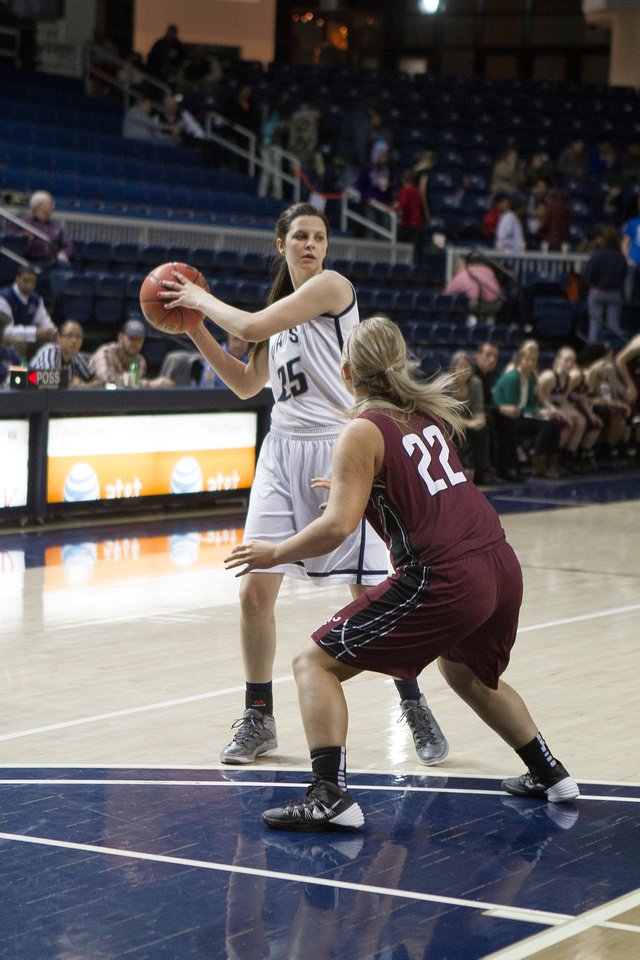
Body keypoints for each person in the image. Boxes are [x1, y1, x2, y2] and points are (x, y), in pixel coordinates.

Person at [223, 315, 579, 832]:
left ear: (347, 373)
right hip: (500, 564)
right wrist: (351, 480)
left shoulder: (361, 430)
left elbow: (337, 527)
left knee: (312, 664)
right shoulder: (425, 416)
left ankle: (329, 795)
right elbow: (420, 484)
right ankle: (551, 774)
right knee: (466, 673)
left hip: (448, 576)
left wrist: (273, 553)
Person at [159, 202, 448, 766]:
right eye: (301, 237)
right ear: (281, 245)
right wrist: (194, 330)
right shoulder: (278, 313)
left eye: (319, 237)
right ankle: (258, 717)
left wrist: (197, 299)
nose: (311, 245)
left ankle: (412, 701)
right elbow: (246, 384)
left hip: (340, 448)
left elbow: (244, 326)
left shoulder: (333, 289)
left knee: (369, 596)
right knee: (252, 588)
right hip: (280, 451)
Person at [492, 344, 562, 480]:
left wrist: (541, 412)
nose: (530, 363)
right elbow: (513, 406)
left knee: (555, 423)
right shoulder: (512, 378)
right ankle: (538, 466)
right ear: (520, 360)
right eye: (527, 360)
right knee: (546, 426)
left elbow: (529, 404)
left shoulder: (529, 378)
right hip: (510, 417)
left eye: (533, 360)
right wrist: (537, 414)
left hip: (523, 414)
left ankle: (551, 465)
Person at [89, 319, 174, 388]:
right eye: (132, 338)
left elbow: (134, 387)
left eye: (139, 339)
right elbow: (108, 380)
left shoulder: (140, 360)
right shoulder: (105, 353)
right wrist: (150, 384)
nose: (135, 343)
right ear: (121, 337)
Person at [0, 264, 56, 359]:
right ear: (17, 279)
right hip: (4, 338)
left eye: (33, 282)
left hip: (25, 336)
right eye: (26, 281)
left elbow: (45, 321)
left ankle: (39, 372)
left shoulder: (36, 299)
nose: (29, 285)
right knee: (19, 341)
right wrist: (34, 332)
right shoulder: (4, 297)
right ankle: (17, 373)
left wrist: (52, 332)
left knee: (50, 340)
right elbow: (6, 331)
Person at [583, 225, 628, 343]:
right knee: (614, 327)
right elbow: (624, 276)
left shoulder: (597, 255)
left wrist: (593, 285)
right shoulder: (620, 257)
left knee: (594, 326)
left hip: (598, 291)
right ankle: (614, 352)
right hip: (615, 293)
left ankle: (592, 354)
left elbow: (588, 275)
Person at [447, 350, 486, 482]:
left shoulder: (475, 383)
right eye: (461, 366)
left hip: (467, 421)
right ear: (453, 368)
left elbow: (478, 409)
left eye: (467, 367)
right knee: (459, 431)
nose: (464, 370)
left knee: (482, 429)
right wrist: (470, 423)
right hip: (447, 422)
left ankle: (479, 472)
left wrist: (479, 420)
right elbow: (445, 414)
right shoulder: (446, 385)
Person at [29, 319, 102, 387]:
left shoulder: (76, 356)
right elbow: (47, 378)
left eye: (78, 336)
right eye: (69, 336)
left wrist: (85, 386)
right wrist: (69, 383)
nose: (74, 340)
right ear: (58, 338)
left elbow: (97, 380)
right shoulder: (49, 351)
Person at [21, 190, 74, 268]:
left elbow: (68, 245)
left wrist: (63, 253)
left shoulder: (55, 227)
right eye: (50, 203)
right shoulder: (24, 223)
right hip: (30, 260)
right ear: (39, 205)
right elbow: (11, 237)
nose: (53, 206)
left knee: (64, 265)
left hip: (51, 261)